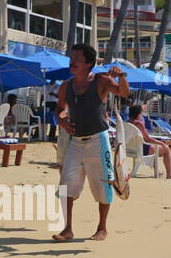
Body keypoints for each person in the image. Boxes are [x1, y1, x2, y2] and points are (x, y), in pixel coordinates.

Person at [53, 43, 129, 241]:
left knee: (103, 184)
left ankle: (102, 228)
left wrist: (121, 76)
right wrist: (61, 120)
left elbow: (123, 93)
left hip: (99, 141)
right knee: (65, 185)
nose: (72, 61)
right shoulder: (65, 86)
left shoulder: (101, 81)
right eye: (72, 57)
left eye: (77, 58)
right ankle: (67, 229)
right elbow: (59, 109)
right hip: (75, 142)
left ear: (88, 63)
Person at [127, 103, 171, 179]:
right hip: (142, 151)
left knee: (153, 147)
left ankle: (157, 171)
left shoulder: (126, 122)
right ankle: (169, 174)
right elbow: (148, 139)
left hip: (129, 149)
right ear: (138, 113)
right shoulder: (139, 124)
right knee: (166, 149)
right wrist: (161, 143)